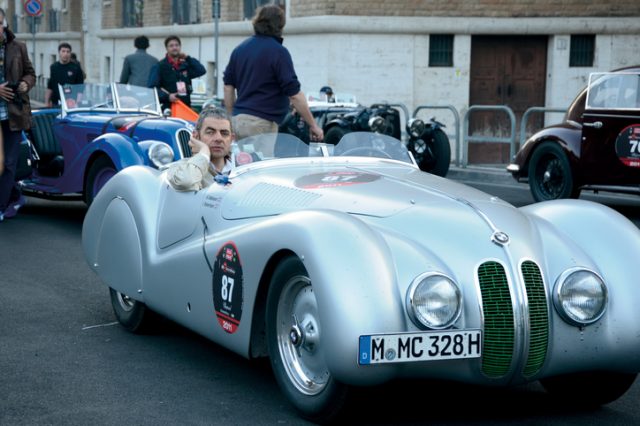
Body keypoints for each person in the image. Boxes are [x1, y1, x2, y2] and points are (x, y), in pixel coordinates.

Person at [223, 4, 323, 142]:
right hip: (262, 124)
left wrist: (232, 115)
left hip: (238, 121)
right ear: (280, 26)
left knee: (240, 162)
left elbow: (228, 87)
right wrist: (313, 125)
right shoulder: (279, 52)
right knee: (262, 163)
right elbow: (294, 95)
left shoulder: (239, 49)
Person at [0, 9, 35, 221]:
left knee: (10, 163)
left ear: (4, 24)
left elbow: (30, 73)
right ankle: (13, 197)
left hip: (13, 114)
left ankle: (2, 206)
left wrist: (25, 83)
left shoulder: (18, 47)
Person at [166, 107, 234, 191]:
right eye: (210, 132)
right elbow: (186, 181)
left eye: (224, 133)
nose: (218, 138)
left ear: (231, 139)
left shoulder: (243, 168)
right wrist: (204, 152)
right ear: (196, 136)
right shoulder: (180, 168)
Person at [148, 35, 206, 111]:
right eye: (171, 46)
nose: (174, 48)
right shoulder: (159, 66)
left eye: (177, 45)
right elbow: (152, 88)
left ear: (180, 47)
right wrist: (168, 96)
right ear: (167, 48)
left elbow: (201, 70)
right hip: (168, 109)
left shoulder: (185, 65)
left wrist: (187, 58)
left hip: (185, 107)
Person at [45, 43, 84, 107]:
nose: (65, 54)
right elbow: (50, 86)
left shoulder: (76, 68)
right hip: (56, 103)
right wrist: (47, 102)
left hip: (71, 103)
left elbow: (80, 88)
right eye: (63, 51)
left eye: (68, 52)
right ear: (59, 52)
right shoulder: (54, 67)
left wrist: (78, 103)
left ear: (70, 53)